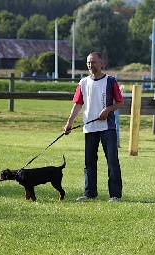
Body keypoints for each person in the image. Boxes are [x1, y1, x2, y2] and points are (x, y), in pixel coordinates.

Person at [64, 52, 124, 202]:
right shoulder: (83, 83)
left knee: (112, 161)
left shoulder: (110, 81)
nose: (91, 65)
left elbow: (120, 102)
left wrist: (107, 110)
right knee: (89, 162)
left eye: (94, 62)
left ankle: (115, 195)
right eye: (89, 63)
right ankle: (89, 192)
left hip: (107, 128)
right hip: (90, 129)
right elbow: (78, 104)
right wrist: (69, 122)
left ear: (101, 63)